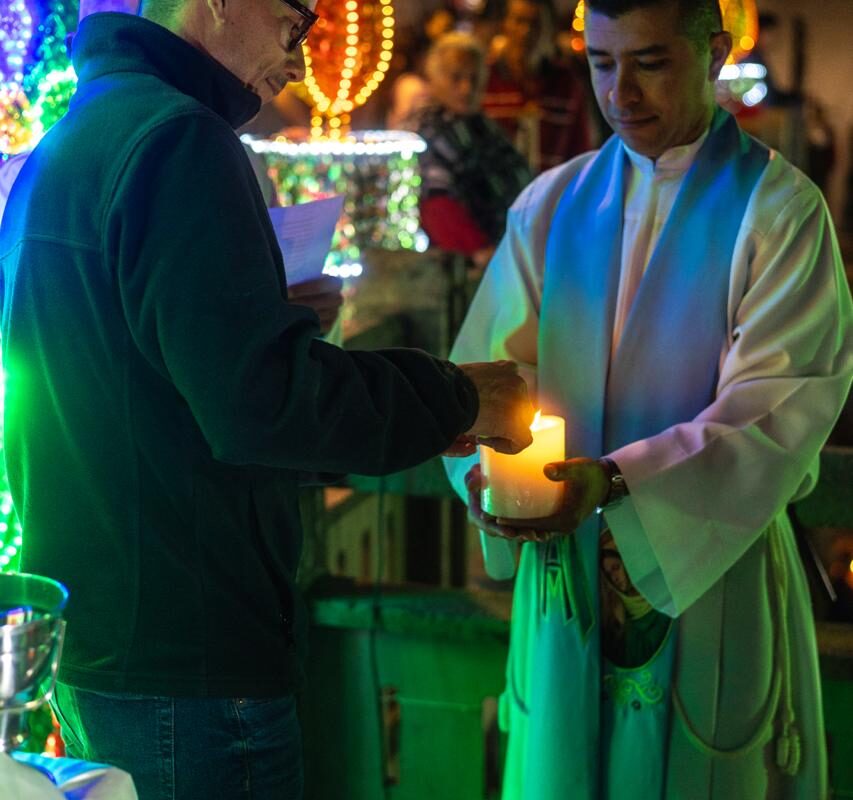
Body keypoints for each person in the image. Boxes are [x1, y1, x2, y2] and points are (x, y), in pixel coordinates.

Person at [0, 2, 536, 799]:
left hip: (105, 624)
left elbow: (126, 357)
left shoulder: (85, 131)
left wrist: (265, 314)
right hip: (191, 642)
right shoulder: (180, 141)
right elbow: (266, 406)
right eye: (296, 22)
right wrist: (458, 398)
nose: (303, 57)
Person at [444, 0, 853, 797]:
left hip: (709, 564)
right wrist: (490, 473)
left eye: (651, 62)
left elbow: (777, 407)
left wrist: (622, 483)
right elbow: (485, 379)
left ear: (714, 53)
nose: (620, 93)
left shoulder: (779, 212)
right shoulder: (549, 206)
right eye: (600, 63)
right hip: (562, 573)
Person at [404, 32, 533, 267]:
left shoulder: (482, 124)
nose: (466, 88)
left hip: (513, 252)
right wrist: (482, 252)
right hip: (472, 267)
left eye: (474, 78)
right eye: (456, 78)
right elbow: (436, 203)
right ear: (435, 78)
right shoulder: (429, 129)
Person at [482, 0, 591, 173]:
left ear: (548, 30)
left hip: (551, 195)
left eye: (535, 24)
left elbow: (581, 155)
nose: (525, 32)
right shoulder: (484, 79)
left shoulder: (566, 84)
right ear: (505, 24)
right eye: (518, 21)